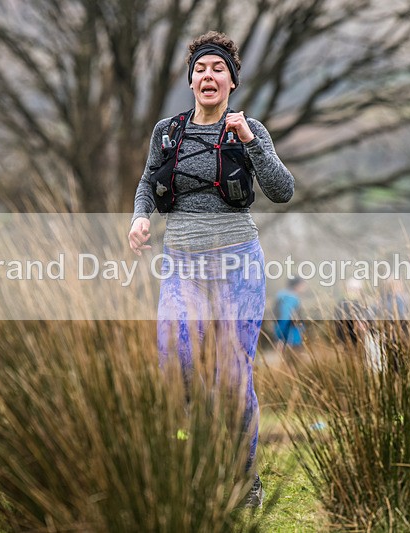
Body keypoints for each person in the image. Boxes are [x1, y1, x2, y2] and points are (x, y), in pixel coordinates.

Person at [128, 31, 294, 509]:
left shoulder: (250, 130)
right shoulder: (168, 131)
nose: (208, 75)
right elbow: (146, 185)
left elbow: (282, 190)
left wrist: (251, 142)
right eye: (201, 69)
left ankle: (245, 481)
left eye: (218, 69)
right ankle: (186, 466)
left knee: (232, 374)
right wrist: (141, 218)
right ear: (191, 78)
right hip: (182, 264)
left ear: (231, 81)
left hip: (238, 265)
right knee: (174, 355)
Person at [274, 277, 307, 350]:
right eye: (302, 285)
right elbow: (285, 316)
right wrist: (282, 335)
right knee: (293, 355)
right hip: (291, 333)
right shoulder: (290, 297)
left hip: (283, 330)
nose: (304, 287)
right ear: (296, 285)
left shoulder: (282, 295)